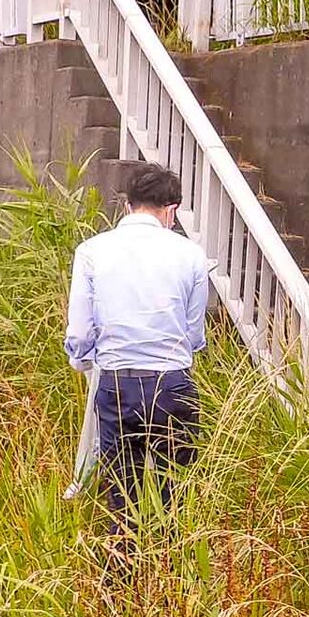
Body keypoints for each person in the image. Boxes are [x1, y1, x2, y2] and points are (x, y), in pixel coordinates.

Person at [63, 166, 209, 520]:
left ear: (128, 206)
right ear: (171, 210)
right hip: (172, 383)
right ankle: (171, 567)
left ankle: (123, 568)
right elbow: (193, 335)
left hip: (116, 383)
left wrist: (84, 363)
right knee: (171, 493)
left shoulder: (92, 251)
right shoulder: (192, 255)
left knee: (122, 495)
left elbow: (80, 332)